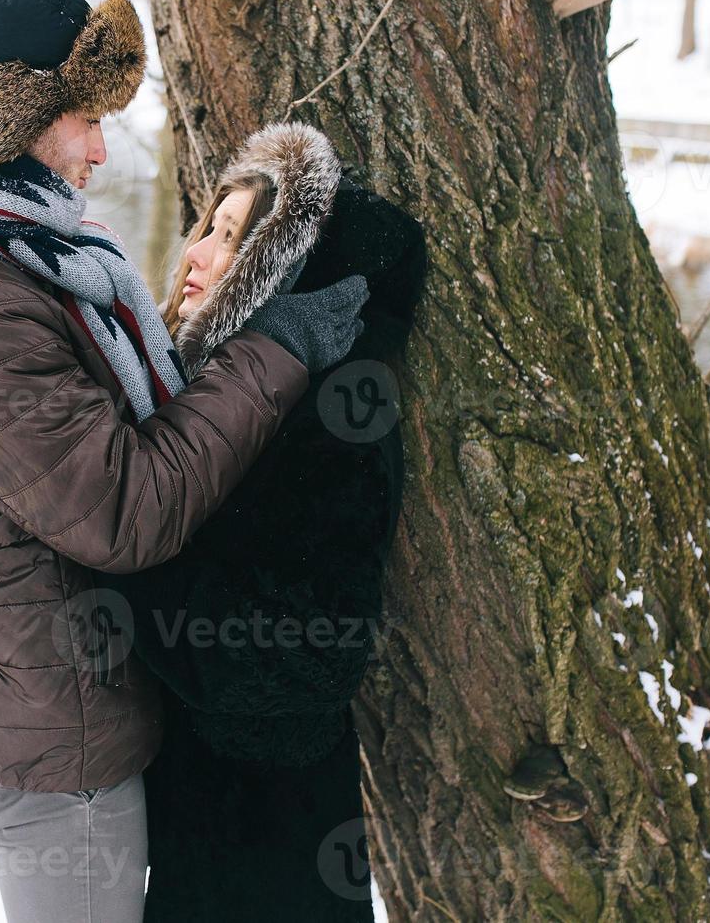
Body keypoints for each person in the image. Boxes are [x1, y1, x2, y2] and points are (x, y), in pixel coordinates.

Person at [0, 0, 371, 923]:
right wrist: (275, 348)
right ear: (7, 123)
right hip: (53, 743)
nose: (98, 149)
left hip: (22, 697)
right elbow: (125, 512)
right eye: (80, 120)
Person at [96, 123, 430, 922]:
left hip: (268, 843)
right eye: (208, 227)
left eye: (232, 239)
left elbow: (309, 657)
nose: (197, 254)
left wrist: (123, 569)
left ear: (284, 270)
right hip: (202, 819)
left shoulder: (336, 423)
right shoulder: (215, 388)